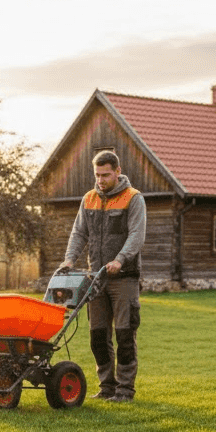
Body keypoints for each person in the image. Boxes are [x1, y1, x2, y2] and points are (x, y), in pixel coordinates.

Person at [59, 150, 146, 402]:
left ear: (118, 171)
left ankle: (125, 389)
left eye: (105, 175)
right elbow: (79, 233)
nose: (100, 180)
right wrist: (69, 259)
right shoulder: (89, 199)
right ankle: (107, 386)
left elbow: (136, 235)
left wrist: (120, 259)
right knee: (98, 335)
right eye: (97, 175)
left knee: (125, 334)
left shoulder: (133, 198)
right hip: (95, 280)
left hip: (124, 278)